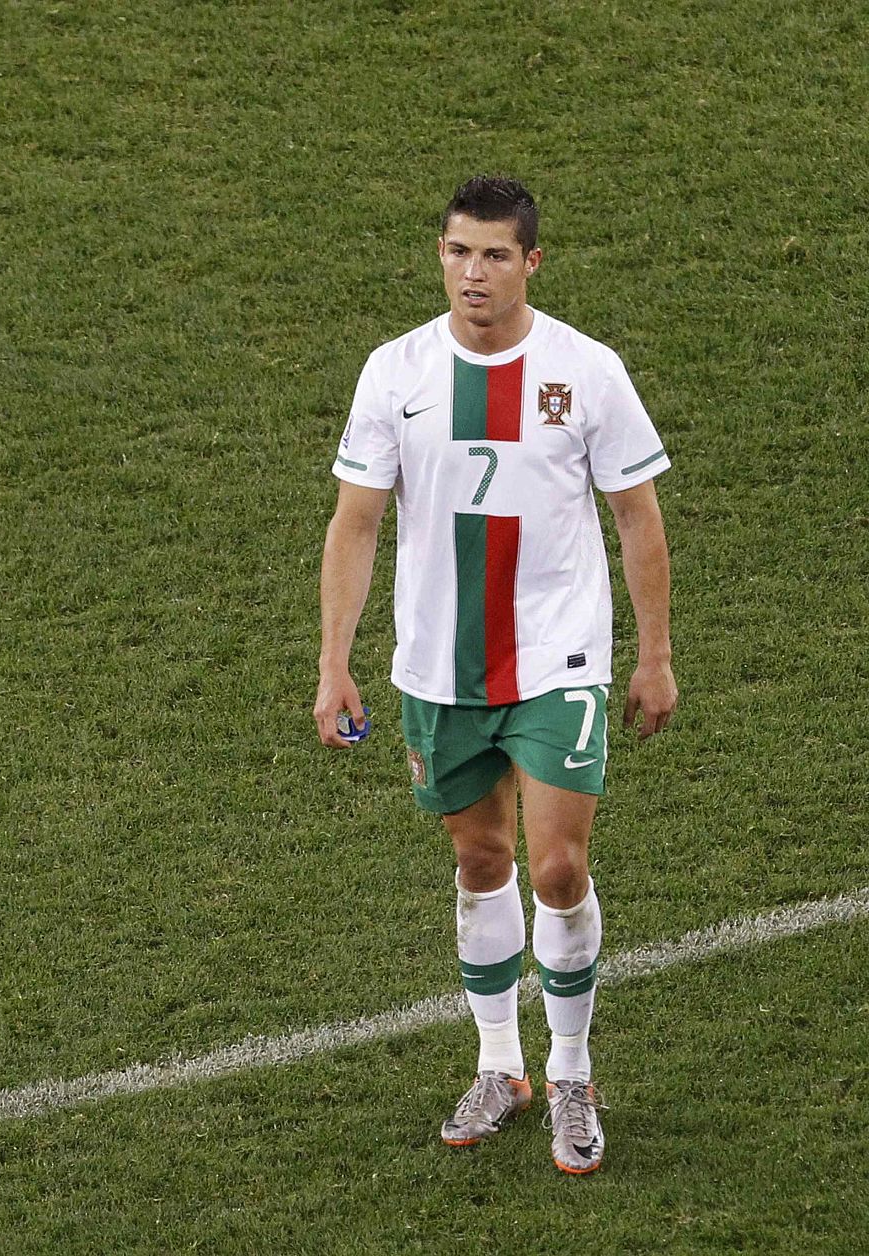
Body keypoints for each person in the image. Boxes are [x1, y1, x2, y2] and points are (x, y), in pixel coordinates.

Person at [314, 175, 676, 1175]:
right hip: (441, 665)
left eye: (494, 255)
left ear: (531, 262)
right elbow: (355, 522)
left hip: (558, 656)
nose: (473, 273)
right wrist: (334, 661)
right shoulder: (395, 372)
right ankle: (498, 1065)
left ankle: (571, 1074)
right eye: (457, 251)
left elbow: (637, 516)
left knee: (557, 867)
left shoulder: (585, 371)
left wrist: (653, 655)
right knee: (480, 861)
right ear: (440, 254)